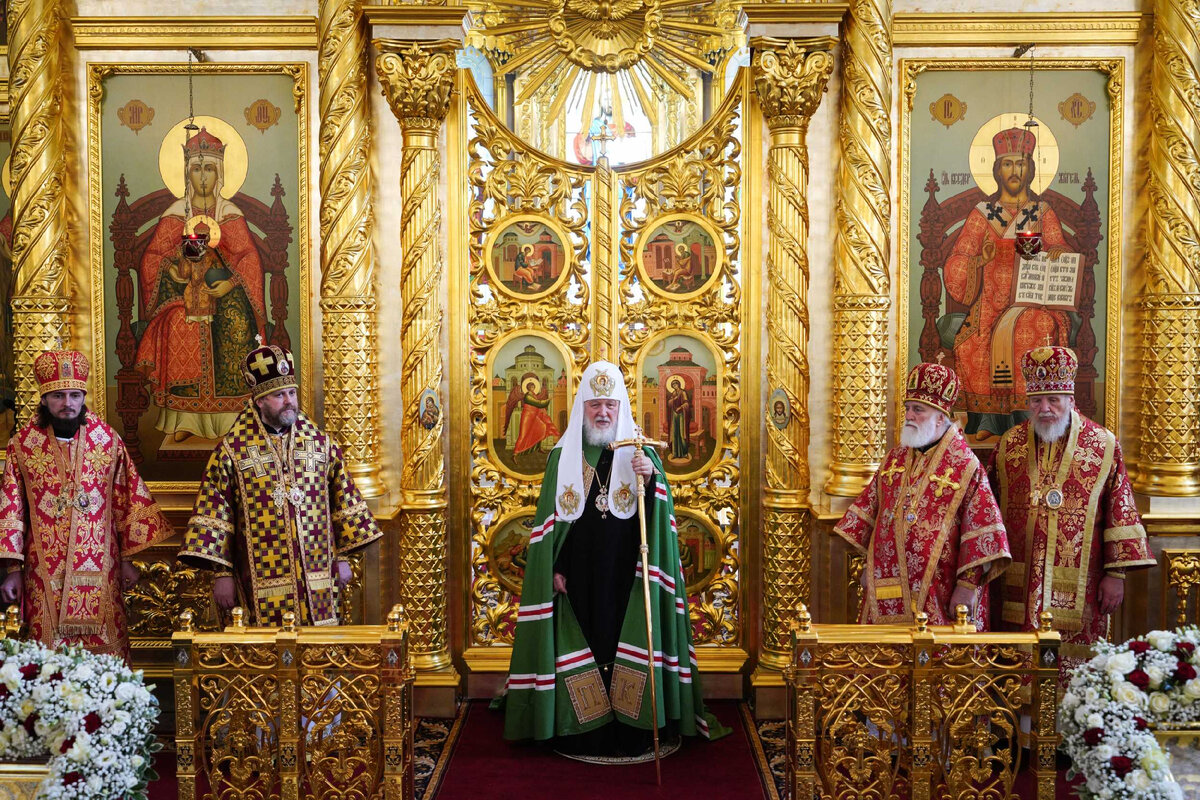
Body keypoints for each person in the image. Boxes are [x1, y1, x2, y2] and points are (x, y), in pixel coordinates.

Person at [503, 360, 726, 759]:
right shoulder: (562, 456)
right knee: (586, 638)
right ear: (583, 408)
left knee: (626, 638)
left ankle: (633, 726)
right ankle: (582, 728)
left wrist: (651, 478)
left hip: (629, 572)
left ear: (620, 406)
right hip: (578, 575)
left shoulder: (640, 453)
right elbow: (551, 526)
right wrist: (555, 568)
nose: (603, 412)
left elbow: (660, 520)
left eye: (609, 404)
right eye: (595, 405)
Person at [178, 341, 382, 625]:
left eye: (291, 393)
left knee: (320, 644)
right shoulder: (232, 452)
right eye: (279, 395)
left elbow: (342, 500)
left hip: (319, 574)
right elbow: (216, 514)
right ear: (259, 400)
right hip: (259, 577)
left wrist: (344, 556)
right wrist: (222, 574)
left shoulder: (320, 445)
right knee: (267, 644)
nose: (289, 401)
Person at [988, 345, 1155, 679]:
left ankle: (1074, 712)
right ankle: (1019, 713)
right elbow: (988, 511)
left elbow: (1120, 510)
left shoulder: (1103, 445)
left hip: (1083, 582)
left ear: (1069, 398)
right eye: (1036, 401)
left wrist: (1116, 575)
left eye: (1053, 400)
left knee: (1074, 670)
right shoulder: (1009, 444)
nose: (1044, 409)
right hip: (1016, 581)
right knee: (1016, 665)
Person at [0, 349, 171, 658]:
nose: (68, 403)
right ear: (44, 399)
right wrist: (13, 569)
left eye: (75, 395)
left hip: (102, 566)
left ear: (83, 397)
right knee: (46, 657)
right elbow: (12, 510)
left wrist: (127, 559)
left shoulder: (108, 440)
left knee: (105, 653)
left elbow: (126, 501)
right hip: (43, 571)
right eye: (58, 396)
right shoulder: (22, 446)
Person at [835, 361, 1012, 627]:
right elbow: (869, 513)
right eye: (908, 408)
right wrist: (867, 568)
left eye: (918, 410)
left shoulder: (966, 467)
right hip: (886, 581)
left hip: (941, 590)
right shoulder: (894, 459)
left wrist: (966, 587)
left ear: (940, 416)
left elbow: (982, 534)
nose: (909, 415)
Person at [135, 126, 267, 443]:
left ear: (219, 173)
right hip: (184, 294)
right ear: (187, 173)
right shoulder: (175, 213)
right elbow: (153, 256)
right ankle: (184, 418)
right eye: (197, 169)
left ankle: (232, 418)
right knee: (178, 323)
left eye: (209, 169)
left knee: (235, 321)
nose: (203, 177)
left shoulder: (229, 213)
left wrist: (230, 285)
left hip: (225, 293)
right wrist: (171, 271)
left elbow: (248, 257)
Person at [943, 126, 1071, 440]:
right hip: (989, 302)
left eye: (1021, 163)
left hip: (1032, 302)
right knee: (974, 344)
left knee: (1034, 331)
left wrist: (1056, 252)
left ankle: (1028, 417)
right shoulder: (982, 214)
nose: (1015, 171)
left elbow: (1061, 250)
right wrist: (980, 260)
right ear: (997, 170)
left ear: (1031, 169)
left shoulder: (1042, 213)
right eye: (1008, 164)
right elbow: (958, 259)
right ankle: (988, 421)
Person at [666, 377, 691, 461]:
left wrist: (680, 407)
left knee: (681, 434)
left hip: (681, 415)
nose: (674, 386)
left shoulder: (683, 393)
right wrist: (673, 399)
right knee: (675, 434)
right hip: (674, 415)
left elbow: (686, 403)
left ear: (679, 384)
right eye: (673, 385)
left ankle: (684, 453)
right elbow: (669, 403)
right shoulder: (673, 393)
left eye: (675, 384)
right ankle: (675, 453)